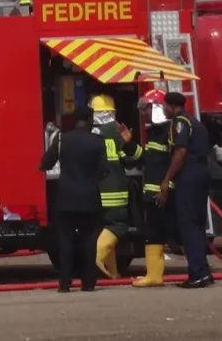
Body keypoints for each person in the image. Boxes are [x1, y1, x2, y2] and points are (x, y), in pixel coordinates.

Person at [39, 106, 108, 292]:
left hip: (65, 198)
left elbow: (45, 164)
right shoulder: (98, 142)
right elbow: (104, 170)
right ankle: (88, 283)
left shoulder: (61, 139)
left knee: (66, 241)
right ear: (90, 120)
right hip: (89, 198)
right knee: (89, 241)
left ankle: (64, 283)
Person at [158, 91, 214, 288]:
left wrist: (166, 180)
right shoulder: (195, 122)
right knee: (197, 225)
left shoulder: (179, 122)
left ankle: (197, 274)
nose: (163, 109)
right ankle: (203, 272)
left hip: (189, 175)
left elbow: (181, 151)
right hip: (202, 173)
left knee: (188, 226)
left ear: (172, 106)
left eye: (164, 105)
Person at [90, 94, 142, 279]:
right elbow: (136, 157)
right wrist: (130, 142)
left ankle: (113, 272)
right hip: (116, 188)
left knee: (106, 226)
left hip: (98, 190)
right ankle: (95, 258)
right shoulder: (115, 129)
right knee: (118, 225)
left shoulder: (91, 133)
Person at [127, 89, 175, 287]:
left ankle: (199, 271)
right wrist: (129, 144)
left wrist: (166, 188)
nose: (142, 113)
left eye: (145, 108)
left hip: (162, 193)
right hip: (152, 192)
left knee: (178, 232)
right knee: (153, 232)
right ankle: (154, 275)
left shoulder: (169, 131)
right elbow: (146, 159)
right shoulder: (154, 132)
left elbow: (174, 163)